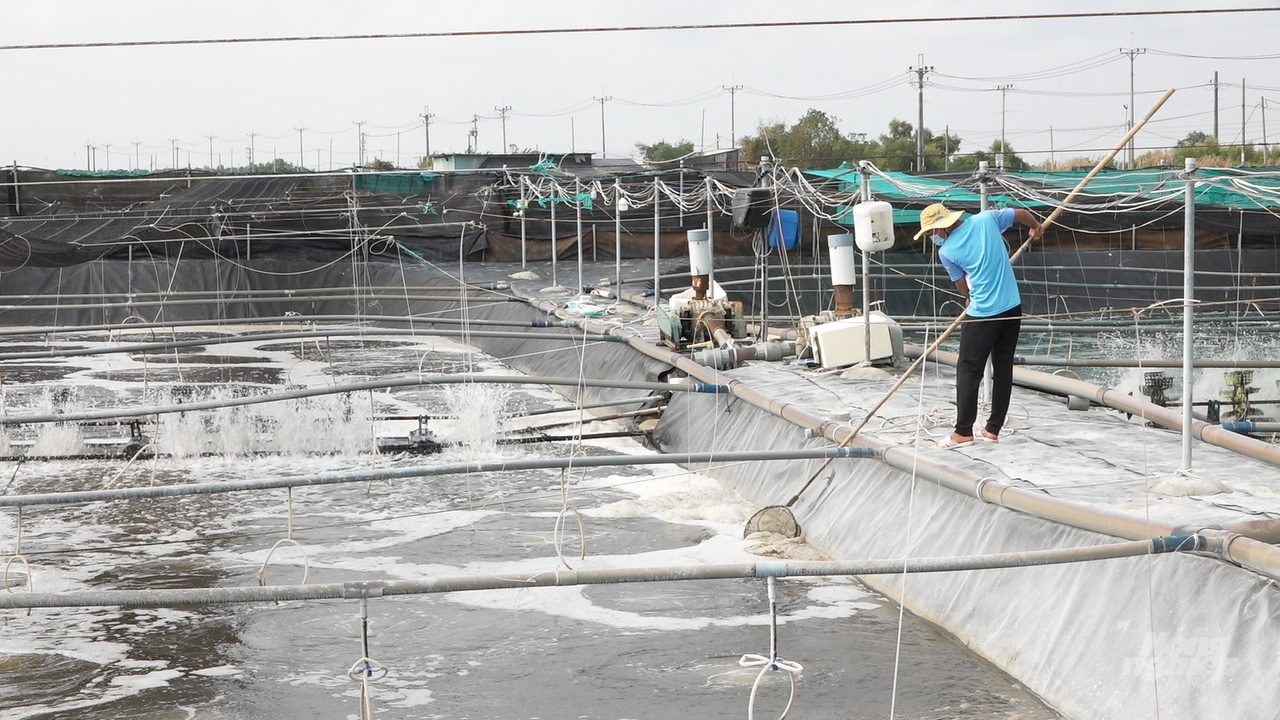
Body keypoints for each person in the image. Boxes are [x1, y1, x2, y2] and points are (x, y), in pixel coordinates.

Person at [914, 203, 1043, 449]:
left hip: (983, 313)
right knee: (1003, 367)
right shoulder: (987, 220)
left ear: (943, 227)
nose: (933, 237)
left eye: (932, 232)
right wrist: (1036, 228)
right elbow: (1021, 214)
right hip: (1012, 307)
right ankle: (993, 429)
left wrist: (968, 298)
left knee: (968, 370)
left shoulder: (948, 251)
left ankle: (963, 432)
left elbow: (961, 284)